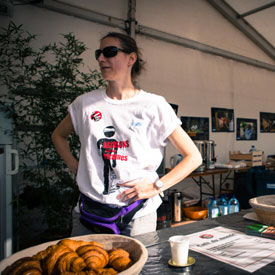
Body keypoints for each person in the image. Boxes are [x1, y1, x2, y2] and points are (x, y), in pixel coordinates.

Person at [51, 32, 202, 237]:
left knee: (136, 268)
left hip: (137, 216)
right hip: (88, 213)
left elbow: (193, 157)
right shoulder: (84, 104)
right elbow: (58, 135)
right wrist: (74, 165)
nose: (101, 58)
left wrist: (156, 186)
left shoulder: (153, 105)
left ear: (131, 58)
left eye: (109, 52)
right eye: (99, 53)